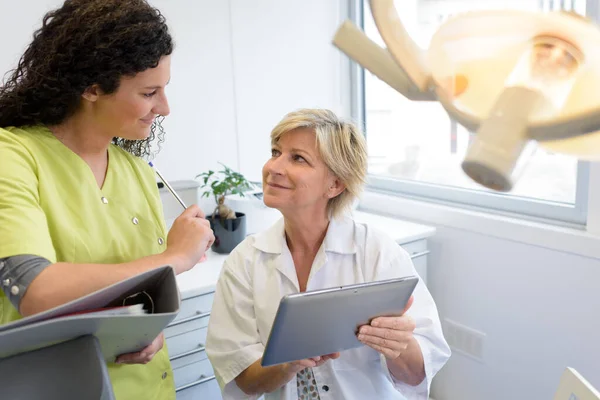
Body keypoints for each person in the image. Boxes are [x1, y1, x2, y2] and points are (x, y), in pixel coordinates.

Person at [0, 1, 214, 399]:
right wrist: (175, 257)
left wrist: (152, 332)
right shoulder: (11, 155)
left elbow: (149, 295)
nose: (164, 108)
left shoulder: (135, 170)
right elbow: (35, 290)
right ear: (92, 87)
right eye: (149, 92)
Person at [205, 108, 451, 399]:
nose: (274, 167)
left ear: (335, 184)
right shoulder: (246, 260)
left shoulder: (377, 252)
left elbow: (416, 375)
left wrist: (398, 345)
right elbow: (243, 379)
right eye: (275, 152)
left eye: (298, 158)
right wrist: (287, 363)